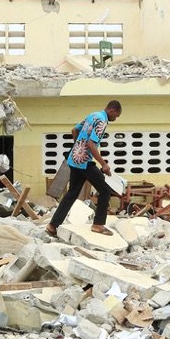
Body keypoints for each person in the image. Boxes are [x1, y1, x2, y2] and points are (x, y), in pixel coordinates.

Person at [45, 100, 122, 237]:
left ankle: (52, 226)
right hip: (84, 162)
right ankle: (98, 225)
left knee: (72, 193)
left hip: (74, 159)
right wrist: (104, 164)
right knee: (105, 190)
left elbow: (75, 130)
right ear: (112, 110)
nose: (115, 119)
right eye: (116, 116)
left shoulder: (92, 115)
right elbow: (91, 144)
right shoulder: (101, 121)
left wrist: (78, 146)